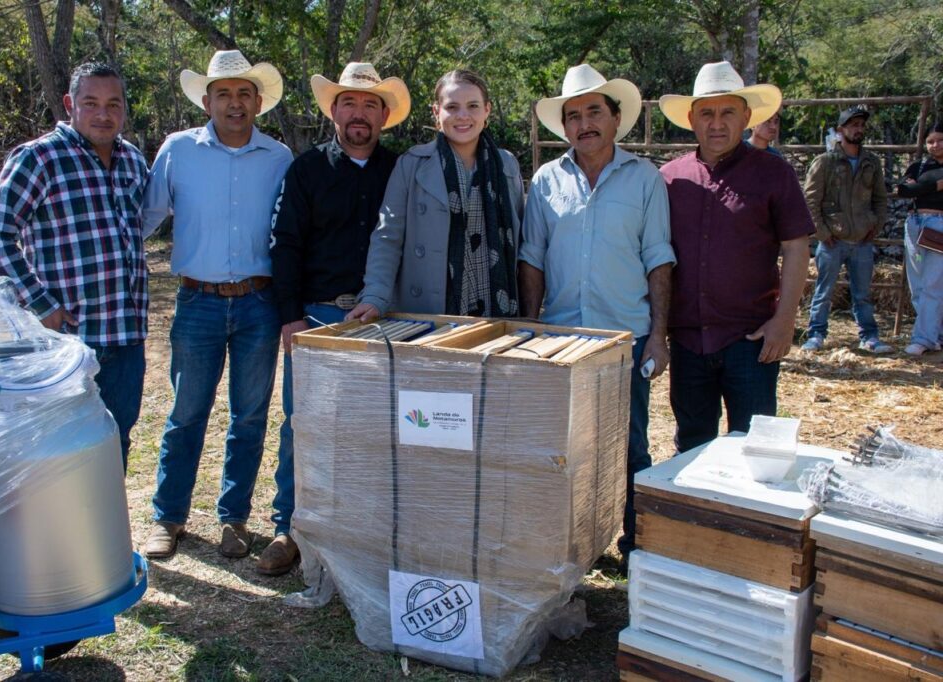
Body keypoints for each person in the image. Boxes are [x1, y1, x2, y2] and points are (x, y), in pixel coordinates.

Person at [519, 64, 675, 571]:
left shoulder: (645, 179)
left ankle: (635, 547)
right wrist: (530, 329)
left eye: (594, 112)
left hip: (626, 337)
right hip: (563, 340)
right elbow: (532, 258)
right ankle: (570, 547)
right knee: (565, 449)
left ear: (616, 118)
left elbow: (659, 259)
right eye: (573, 116)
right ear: (564, 126)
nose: (584, 124)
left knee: (630, 444)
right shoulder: (546, 180)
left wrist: (659, 337)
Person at [140, 50, 293, 560]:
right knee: (186, 413)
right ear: (206, 102)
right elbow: (146, 217)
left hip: (258, 303)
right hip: (197, 300)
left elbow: (290, 232)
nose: (234, 103)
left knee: (249, 417)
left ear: (258, 102)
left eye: (244, 93)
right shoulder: (178, 150)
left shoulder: (279, 158)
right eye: (223, 93)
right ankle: (168, 517)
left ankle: (234, 518)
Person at [265, 63, 410, 575]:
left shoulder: (403, 170)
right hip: (320, 316)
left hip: (388, 319)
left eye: (370, 104)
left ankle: (367, 531)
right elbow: (285, 244)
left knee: (381, 431)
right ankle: (290, 526)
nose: (359, 113)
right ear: (333, 111)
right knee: (304, 426)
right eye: (349, 102)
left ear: (385, 115)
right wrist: (290, 318)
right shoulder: (306, 169)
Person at [0, 62, 148, 472]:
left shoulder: (132, 160)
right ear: (70, 104)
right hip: (68, 338)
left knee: (115, 438)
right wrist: (40, 303)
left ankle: (107, 517)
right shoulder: (40, 158)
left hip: (126, 335)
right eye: (91, 103)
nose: (103, 114)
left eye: (113, 104)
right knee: (65, 448)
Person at [658, 61, 814, 453]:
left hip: (751, 338)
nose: (717, 124)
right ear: (691, 119)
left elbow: (796, 247)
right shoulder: (670, 178)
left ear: (746, 117)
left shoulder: (773, 173)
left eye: (728, 112)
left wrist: (784, 321)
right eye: (706, 114)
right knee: (692, 446)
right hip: (689, 339)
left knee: (755, 448)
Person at [348, 69, 523, 321]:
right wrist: (375, 296)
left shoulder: (506, 165)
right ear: (436, 112)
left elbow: (521, 243)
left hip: (496, 307)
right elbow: (387, 238)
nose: (463, 115)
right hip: (431, 310)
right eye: (452, 107)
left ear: (487, 110)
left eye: (473, 106)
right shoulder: (412, 164)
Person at [801, 107, 892, 353]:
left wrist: (875, 226)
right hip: (833, 239)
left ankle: (869, 336)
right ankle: (816, 334)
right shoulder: (825, 162)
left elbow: (880, 198)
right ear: (841, 130)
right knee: (824, 291)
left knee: (863, 293)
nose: (858, 129)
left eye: (861, 125)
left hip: (861, 239)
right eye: (853, 125)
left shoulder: (871, 163)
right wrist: (822, 233)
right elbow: (811, 200)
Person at [897, 121, 943, 356]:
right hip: (914, 224)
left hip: (939, 225)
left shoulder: (920, 172)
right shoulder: (919, 165)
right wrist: (936, 185)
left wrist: (921, 187)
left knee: (933, 284)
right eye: (930, 141)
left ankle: (922, 339)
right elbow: (904, 190)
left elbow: (915, 189)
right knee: (917, 285)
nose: (935, 145)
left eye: (940, 140)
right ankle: (935, 335)